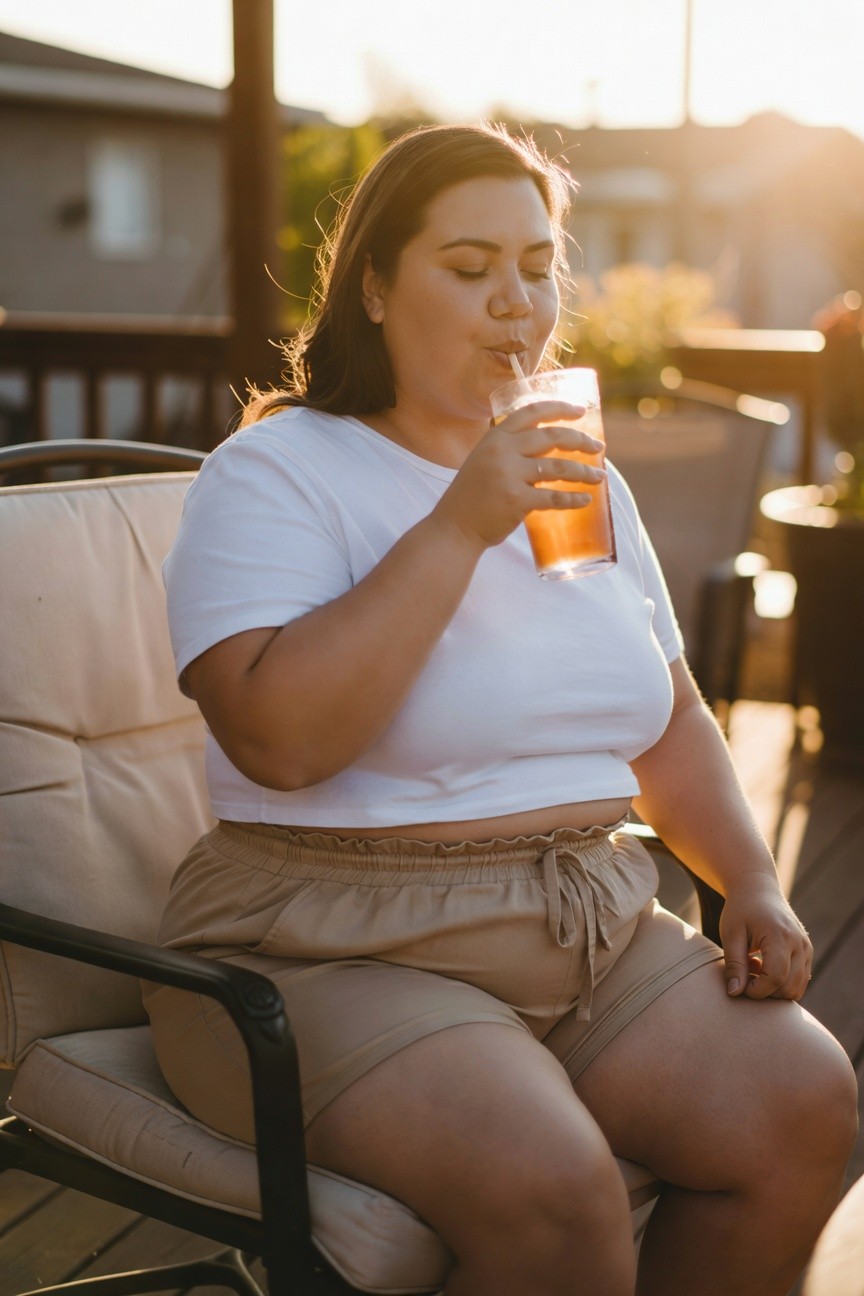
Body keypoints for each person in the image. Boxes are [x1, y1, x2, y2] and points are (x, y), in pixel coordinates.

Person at [144, 123, 857, 1296]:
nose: (514, 304)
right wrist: (461, 524)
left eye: (538, 266)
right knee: (554, 1191)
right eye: (470, 269)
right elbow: (278, 740)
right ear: (374, 286)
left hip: (581, 920)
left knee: (800, 1102)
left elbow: (665, 713)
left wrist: (754, 880)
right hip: (327, 943)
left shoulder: (586, 477)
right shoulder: (278, 473)